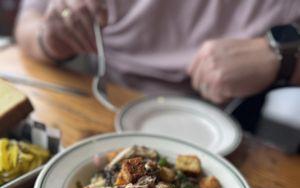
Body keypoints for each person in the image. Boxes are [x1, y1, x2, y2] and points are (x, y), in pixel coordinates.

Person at [15, 0, 300, 105]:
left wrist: (281, 55)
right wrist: (50, 39)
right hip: (103, 96)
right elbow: (28, 23)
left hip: (229, 112)